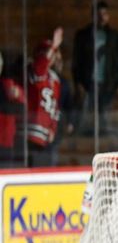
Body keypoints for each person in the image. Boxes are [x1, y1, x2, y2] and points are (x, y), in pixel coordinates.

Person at [72, 0, 118, 135]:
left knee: (105, 117)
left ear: (109, 16)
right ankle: (81, 142)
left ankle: (103, 145)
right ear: (93, 16)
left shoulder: (116, 37)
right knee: (83, 116)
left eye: (105, 14)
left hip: (108, 82)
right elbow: (76, 61)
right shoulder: (83, 36)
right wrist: (77, 82)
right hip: (87, 81)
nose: (102, 17)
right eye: (99, 14)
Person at [24, 29, 73, 167]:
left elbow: (56, 108)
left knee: (46, 168)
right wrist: (53, 46)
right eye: (49, 52)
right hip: (32, 133)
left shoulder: (56, 79)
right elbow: (40, 66)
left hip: (46, 135)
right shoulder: (35, 71)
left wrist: (52, 129)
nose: (53, 56)